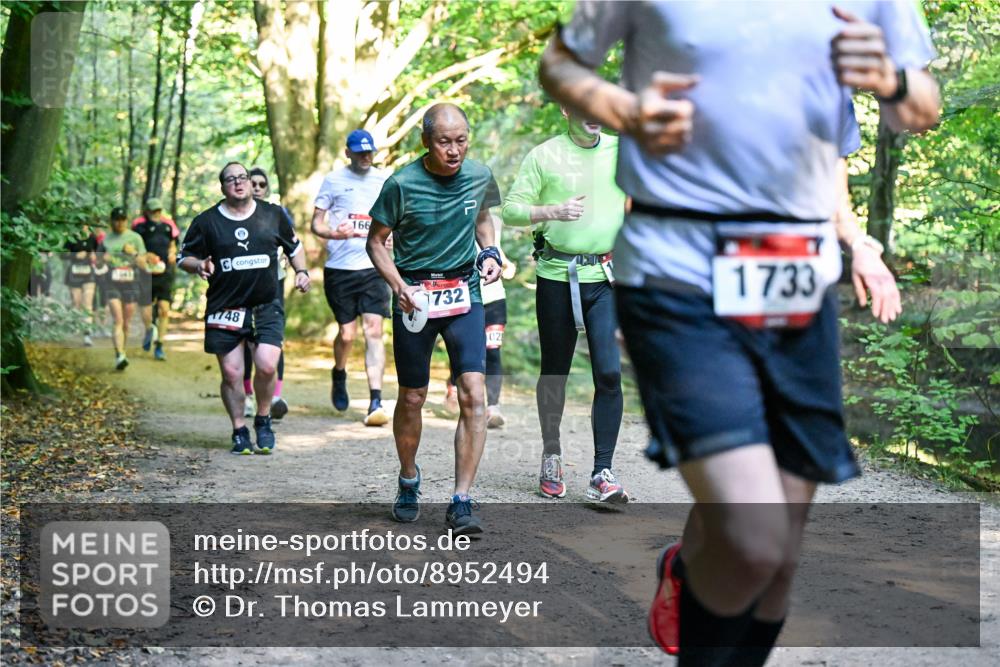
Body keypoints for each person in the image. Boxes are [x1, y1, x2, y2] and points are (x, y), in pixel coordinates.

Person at [540, 2, 939, 664]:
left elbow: (921, 108)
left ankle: (688, 567)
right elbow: (560, 61)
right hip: (676, 269)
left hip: (795, 282)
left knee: (778, 556)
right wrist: (625, 110)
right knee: (754, 536)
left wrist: (893, 82)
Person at [366, 103, 503, 536]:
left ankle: (461, 499)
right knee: (412, 397)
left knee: (474, 393)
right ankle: (409, 478)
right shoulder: (401, 184)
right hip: (415, 298)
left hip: (465, 292)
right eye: (444, 141)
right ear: (426, 141)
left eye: (461, 140)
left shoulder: (481, 176)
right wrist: (398, 286)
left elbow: (483, 218)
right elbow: (376, 242)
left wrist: (491, 252)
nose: (454, 149)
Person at [502, 106, 628, 502]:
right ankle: (551, 453)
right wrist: (550, 211)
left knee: (608, 373)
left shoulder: (623, 151)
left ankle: (602, 472)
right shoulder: (544, 155)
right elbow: (510, 210)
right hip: (556, 276)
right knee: (555, 371)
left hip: (605, 279)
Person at [178, 162, 310, 455]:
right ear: (223, 187)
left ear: (251, 183)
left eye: (242, 178)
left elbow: (295, 247)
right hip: (225, 305)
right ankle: (239, 429)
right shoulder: (207, 221)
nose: (237, 183)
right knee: (232, 373)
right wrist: (198, 264)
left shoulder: (273, 215)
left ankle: (263, 419)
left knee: (265, 364)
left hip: (266, 304)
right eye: (230, 180)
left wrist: (302, 272)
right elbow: (183, 257)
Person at [311, 129, 392, 426]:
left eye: (369, 152)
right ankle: (340, 372)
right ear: (348, 153)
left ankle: (375, 400)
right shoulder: (333, 181)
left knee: (373, 330)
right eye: (359, 152)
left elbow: (400, 217)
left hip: (375, 267)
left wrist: (396, 234)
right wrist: (334, 233)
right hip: (341, 269)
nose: (365, 157)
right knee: (347, 334)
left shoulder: (385, 179)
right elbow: (315, 224)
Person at [444, 212, 516, 429]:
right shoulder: (452, 211)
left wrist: (507, 264)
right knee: (463, 349)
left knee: (492, 349)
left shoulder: (494, 218)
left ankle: (493, 407)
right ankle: (453, 386)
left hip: (493, 296)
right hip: (462, 295)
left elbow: (495, 250)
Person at [241, 167, 290, 420]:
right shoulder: (236, 215)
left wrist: (299, 269)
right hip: (244, 288)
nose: (258, 188)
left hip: (274, 285)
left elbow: (293, 245)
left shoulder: (278, 214)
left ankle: (275, 396)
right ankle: (248, 396)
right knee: (249, 343)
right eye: (254, 183)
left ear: (267, 188)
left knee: (273, 341)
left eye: (262, 184)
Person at [99, 206, 149, 370]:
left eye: (122, 219)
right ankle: (119, 355)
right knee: (118, 319)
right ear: (111, 221)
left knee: (126, 322)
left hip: (130, 281)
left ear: (126, 220)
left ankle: (122, 351)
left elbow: (143, 264)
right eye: (116, 219)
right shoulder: (105, 239)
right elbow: (97, 263)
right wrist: (103, 259)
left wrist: (133, 253)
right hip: (111, 281)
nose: (119, 223)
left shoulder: (135, 238)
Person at [132, 198, 180, 361]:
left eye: (158, 210)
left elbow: (174, 243)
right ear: (147, 211)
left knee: (164, 309)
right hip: (145, 273)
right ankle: (148, 330)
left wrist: (173, 252)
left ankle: (159, 345)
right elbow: (133, 248)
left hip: (165, 273)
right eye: (153, 211)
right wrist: (145, 256)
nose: (156, 214)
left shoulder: (168, 226)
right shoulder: (139, 226)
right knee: (145, 309)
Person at [63, 223, 102, 346]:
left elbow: (100, 254)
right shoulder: (72, 237)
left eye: (85, 225)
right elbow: (62, 255)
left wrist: (94, 256)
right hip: (74, 273)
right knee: (76, 302)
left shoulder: (92, 238)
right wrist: (74, 255)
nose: (83, 227)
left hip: (88, 273)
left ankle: (87, 333)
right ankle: (75, 326)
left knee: (88, 303)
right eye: (80, 225)